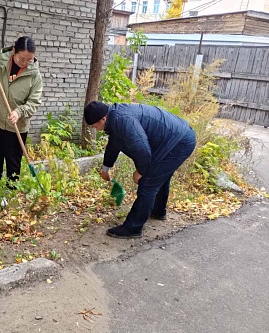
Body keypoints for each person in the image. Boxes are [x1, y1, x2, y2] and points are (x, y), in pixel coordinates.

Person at [84, 101, 196, 239]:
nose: (95, 129)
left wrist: (141, 171)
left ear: (103, 119)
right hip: (177, 138)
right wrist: (106, 168)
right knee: (159, 176)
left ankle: (133, 227)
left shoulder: (123, 120)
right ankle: (158, 211)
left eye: (95, 126)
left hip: (179, 141)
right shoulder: (115, 118)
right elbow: (114, 143)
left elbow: (142, 150)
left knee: (148, 182)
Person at [0, 36, 42, 184]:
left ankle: (11, 194)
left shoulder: (35, 75)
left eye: (29, 60)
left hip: (17, 125)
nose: (25, 63)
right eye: (21, 59)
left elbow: (34, 102)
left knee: (13, 163)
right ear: (14, 51)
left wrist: (19, 112)